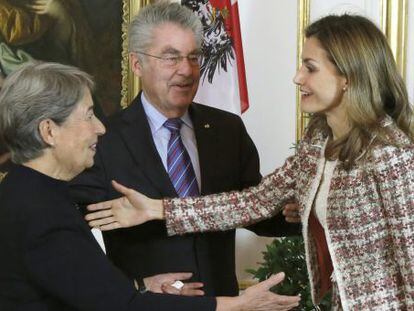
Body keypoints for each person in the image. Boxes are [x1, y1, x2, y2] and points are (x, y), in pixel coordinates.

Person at [86, 14, 414, 310]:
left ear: (348, 76)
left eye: (310, 67)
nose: (298, 77)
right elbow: (254, 202)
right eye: (171, 57)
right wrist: (156, 211)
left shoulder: (392, 154)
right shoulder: (317, 142)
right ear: (137, 64)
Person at [0, 61, 301, 310]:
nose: (101, 128)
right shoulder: (42, 213)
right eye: (89, 116)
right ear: (49, 131)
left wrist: (142, 285)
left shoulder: (27, 193)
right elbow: (122, 307)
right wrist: (236, 304)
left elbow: (77, 287)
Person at [70, 1, 300, 297]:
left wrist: (295, 213)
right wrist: (135, 287)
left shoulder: (227, 130)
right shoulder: (103, 140)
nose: (187, 70)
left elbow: (254, 208)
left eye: (194, 57)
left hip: (223, 302)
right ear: (137, 64)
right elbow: (71, 241)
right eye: (171, 58)